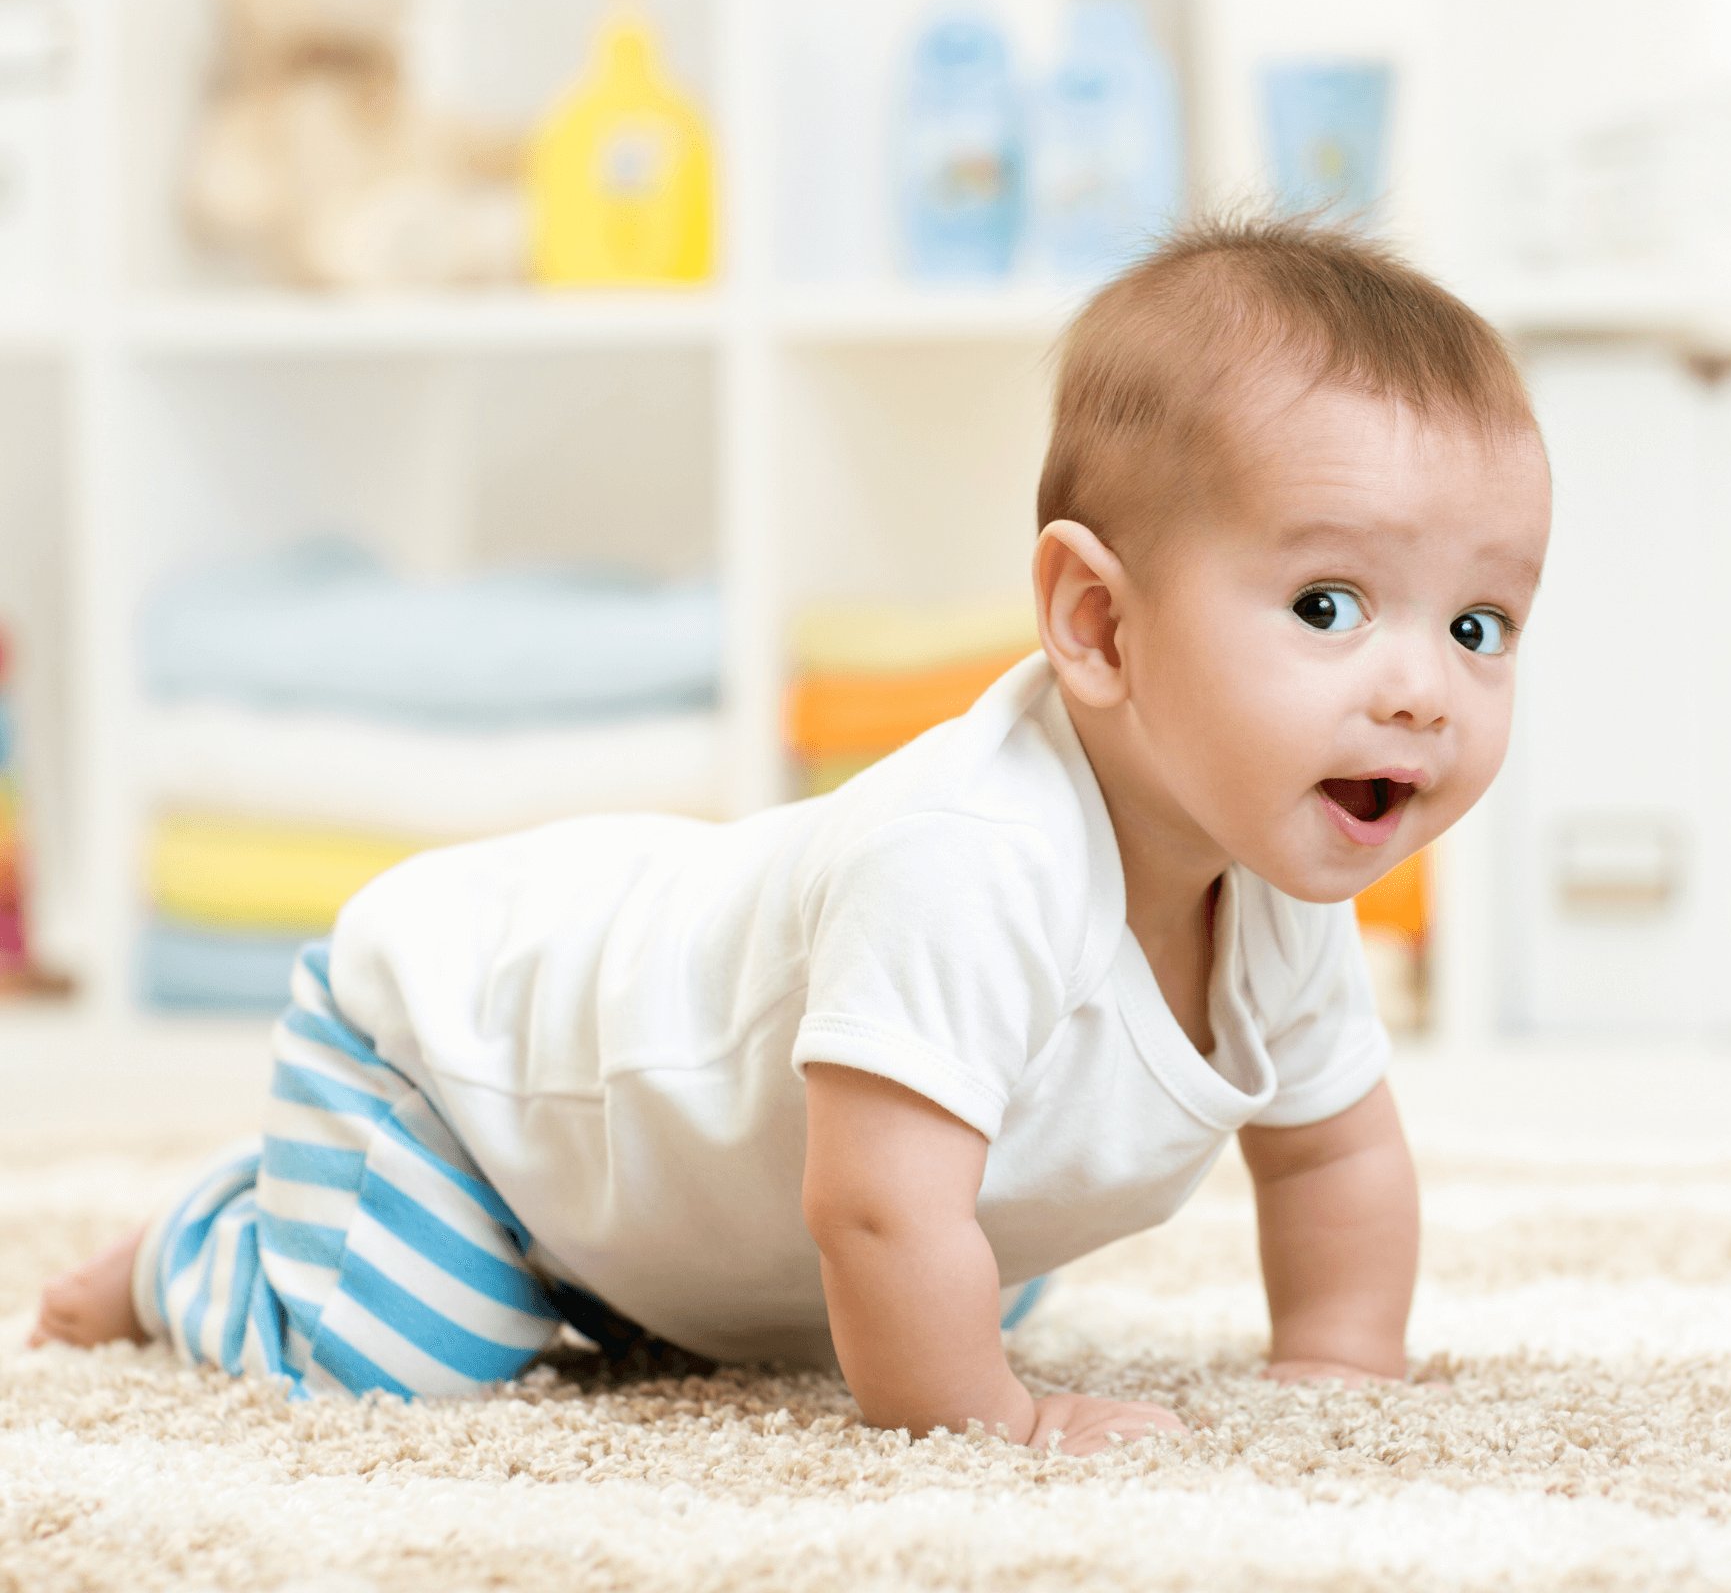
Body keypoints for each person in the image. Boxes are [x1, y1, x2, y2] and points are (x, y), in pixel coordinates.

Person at [31, 211, 1552, 1459]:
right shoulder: (967, 856)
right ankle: (207, 1247)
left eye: (1478, 624)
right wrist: (993, 1426)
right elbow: (873, 1207)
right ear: (1098, 622)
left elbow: (1335, 1154)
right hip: (466, 1073)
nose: (1423, 690)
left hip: (698, 1216)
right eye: (1330, 607)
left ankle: (631, 1289)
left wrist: (1343, 1371)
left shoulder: (1274, 881)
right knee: (409, 1354)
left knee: (961, 1269)